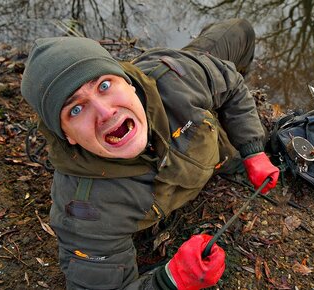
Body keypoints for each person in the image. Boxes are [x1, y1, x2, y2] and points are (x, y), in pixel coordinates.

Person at [20, 19, 280, 289]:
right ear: (68, 136)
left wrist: (253, 150)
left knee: (239, 29)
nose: (105, 112)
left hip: (177, 80)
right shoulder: (85, 211)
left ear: (129, 82)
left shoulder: (176, 75)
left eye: (104, 85)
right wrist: (170, 280)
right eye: (75, 109)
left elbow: (231, 83)